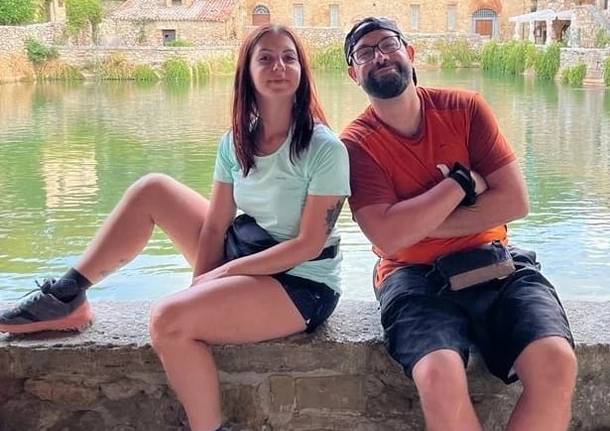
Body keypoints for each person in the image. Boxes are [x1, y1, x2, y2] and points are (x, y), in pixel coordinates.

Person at [0, 24, 350, 431]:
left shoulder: (324, 149)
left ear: (302, 71)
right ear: (247, 72)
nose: (279, 67)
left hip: (302, 283)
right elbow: (216, 225)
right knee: (153, 190)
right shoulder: (235, 141)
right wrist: (201, 288)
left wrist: (221, 276)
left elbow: (308, 245)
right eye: (266, 58)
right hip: (248, 252)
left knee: (167, 320)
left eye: (289, 58)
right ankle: (68, 296)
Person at [341, 17, 577, 431]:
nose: (379, 56)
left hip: (495, 261)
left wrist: (414, 223)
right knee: (438, 377)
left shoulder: (465, 109)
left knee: (556, 363)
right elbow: (387, 238)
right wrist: (460, 184)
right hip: (411, 275)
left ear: (410, 53)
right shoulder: (356, 144)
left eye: (388, 44)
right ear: (353, 74)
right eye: (364, 53)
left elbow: (515, 201)